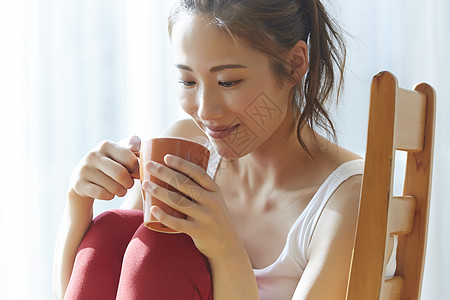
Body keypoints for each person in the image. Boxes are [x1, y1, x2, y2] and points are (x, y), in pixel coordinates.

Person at [52, 0, 388, 299]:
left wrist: (225, 250)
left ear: (294, 65)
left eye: (228, 82)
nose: (205, 111)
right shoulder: (188, 147)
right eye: (188, 82)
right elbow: (97, 286)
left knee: (160, 249)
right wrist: (79, 199)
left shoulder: (347, 201)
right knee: (115, 229)